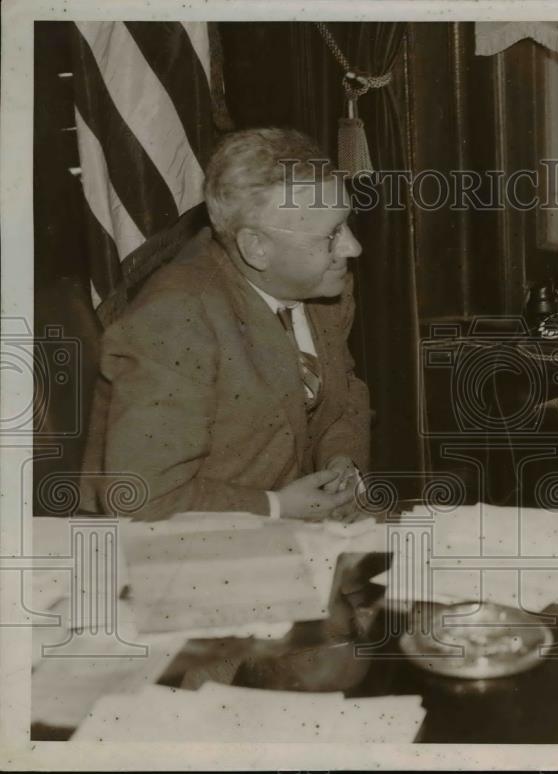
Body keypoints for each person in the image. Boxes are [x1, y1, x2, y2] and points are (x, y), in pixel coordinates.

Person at [81, 128, 370, 522]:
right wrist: (278, 507)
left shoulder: (323, 289)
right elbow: (139, 498)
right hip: (173, 551)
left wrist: (341, 464)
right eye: (332, 234)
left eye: (346, 224)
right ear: (256, 247)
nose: (352, 248)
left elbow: (342, 396)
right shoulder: (176, 318)